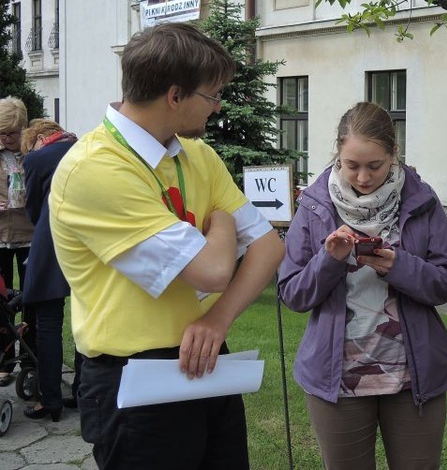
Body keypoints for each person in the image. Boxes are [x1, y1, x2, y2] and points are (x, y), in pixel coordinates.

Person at [48, 23, 285, 469]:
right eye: (212, 96)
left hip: (208, 362)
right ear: (175, 95)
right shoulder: (94, 169)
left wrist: (218, 319)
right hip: (135, 379)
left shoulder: (198, 155)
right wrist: (223, 222)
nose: (217, 109)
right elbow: (213, 270)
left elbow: (270, 247)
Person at [278, 101, 447, 469]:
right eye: (352, 165)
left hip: (413, 380)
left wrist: (400, 267)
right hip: (338, 381)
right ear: (338, 156)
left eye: (375, 166)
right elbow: (292, 293)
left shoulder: (421, 201)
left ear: (395, 153)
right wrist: (329, 260)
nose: (363, 177)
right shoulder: (315, 206)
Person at [20, 119, 80, 421]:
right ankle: (83, 391)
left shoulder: (36, 158)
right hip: (89, 244)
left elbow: (31, 208)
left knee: (48, 325)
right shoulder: (85, 148)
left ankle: (50, 400)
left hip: (51, 244)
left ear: (39, 138)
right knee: (89, 316)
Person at [0, 96, 35, 387]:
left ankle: (29, 359)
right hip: (0, 236)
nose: (8, 139)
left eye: (12, 133)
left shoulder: (33, 151)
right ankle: (3, 360)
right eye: (2, 134)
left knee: (30, 298)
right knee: (2, 302)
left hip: (29, 236)